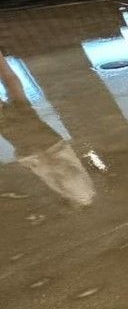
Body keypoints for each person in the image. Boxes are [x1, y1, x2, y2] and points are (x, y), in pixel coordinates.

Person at [0, 54, 95, 207]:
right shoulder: (82, 195)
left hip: (51, 145)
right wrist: (41, 157)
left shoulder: (87, 192)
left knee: (17, 98)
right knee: (9, 116)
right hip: (41, 149)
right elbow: (69, 173)